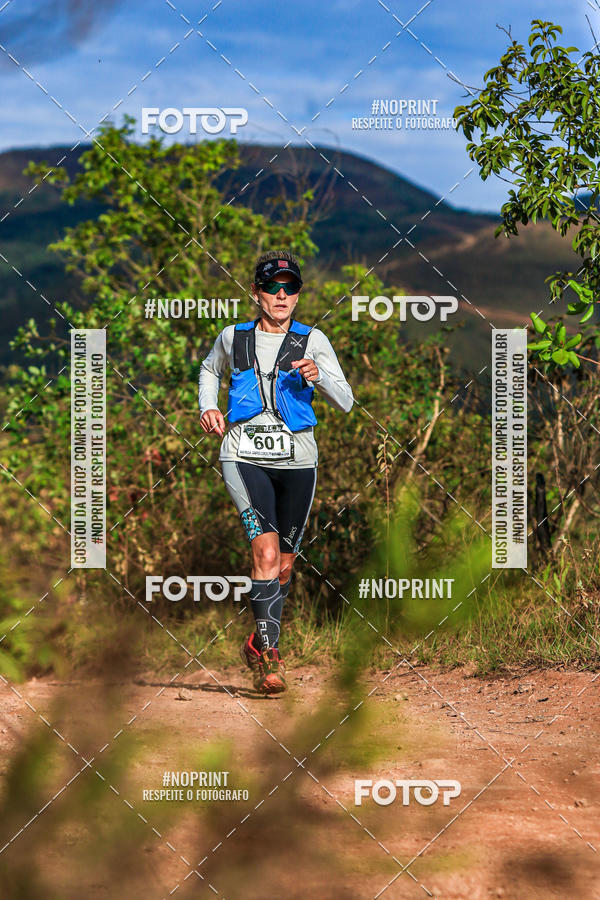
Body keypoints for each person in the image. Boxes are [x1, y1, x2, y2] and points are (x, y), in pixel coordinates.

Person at [198, 250, 354, 694]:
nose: (281, 295)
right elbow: (210, 370)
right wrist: (208, 405)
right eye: (272, 287)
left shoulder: (313, 340)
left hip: (298, 460)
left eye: (289, 287)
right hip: (243, 456)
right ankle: (270, 658)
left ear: (299, 295)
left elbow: (345, 400)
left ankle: (255, 640)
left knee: (284, 566)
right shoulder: (234, 337)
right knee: (264, 556)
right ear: (256, 293)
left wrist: (317, 374)